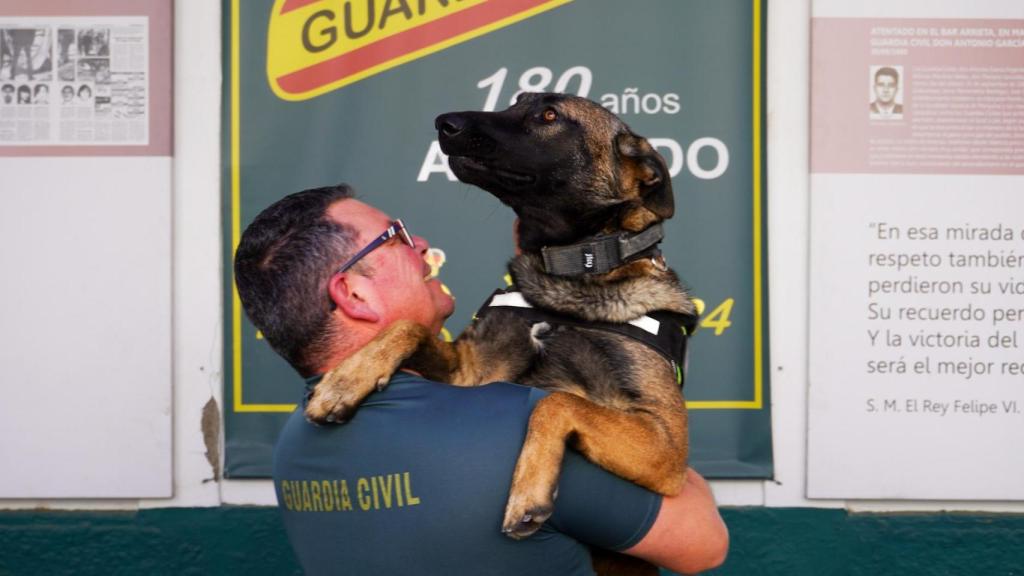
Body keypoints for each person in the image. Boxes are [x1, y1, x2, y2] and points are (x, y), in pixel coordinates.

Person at [234, 184, 728, 575]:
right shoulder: (511, 427)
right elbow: (703, 545)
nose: (421, 243)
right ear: (354, 295)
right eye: (397, 238)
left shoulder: (295, 445)